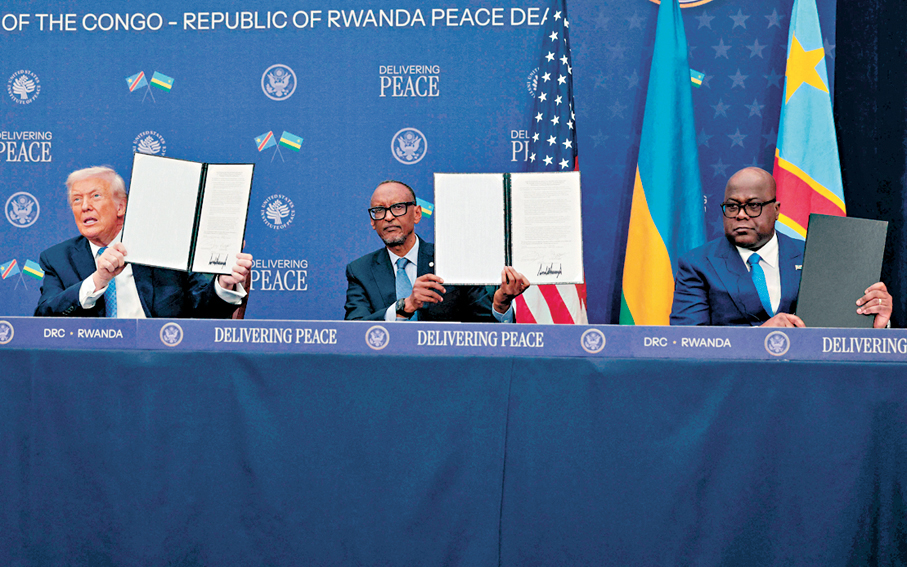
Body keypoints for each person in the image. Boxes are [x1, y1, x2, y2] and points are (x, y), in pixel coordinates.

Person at [670, 167, 892, 327]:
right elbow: (688, 342)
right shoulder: (698, 264)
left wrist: (875, 322)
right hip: (733, 377)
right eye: (732, 206)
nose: (740, 215)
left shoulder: (815, 256)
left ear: (776, 210)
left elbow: (840, 334)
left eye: (753, 205)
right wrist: (760, 338)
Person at [35, 166, 253, 318]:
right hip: (92, 362)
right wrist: (98, 280)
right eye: (76, 199)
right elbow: (44, 317)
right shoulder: (57, 259)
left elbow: (205, 312)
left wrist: (223, 284)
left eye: (95, 196)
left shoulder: (167, 247)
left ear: (121, 206)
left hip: (161, 359)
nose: (85, 206)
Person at [345, 180, 530, 322]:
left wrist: (501, 303)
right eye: (379, 210)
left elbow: (485, 328)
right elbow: (353, 330)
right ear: (372, 221)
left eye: (398, 207)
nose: (388, 217)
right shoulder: (360, 271)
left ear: (417, 214)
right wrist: (405, 306)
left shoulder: (452, 259)